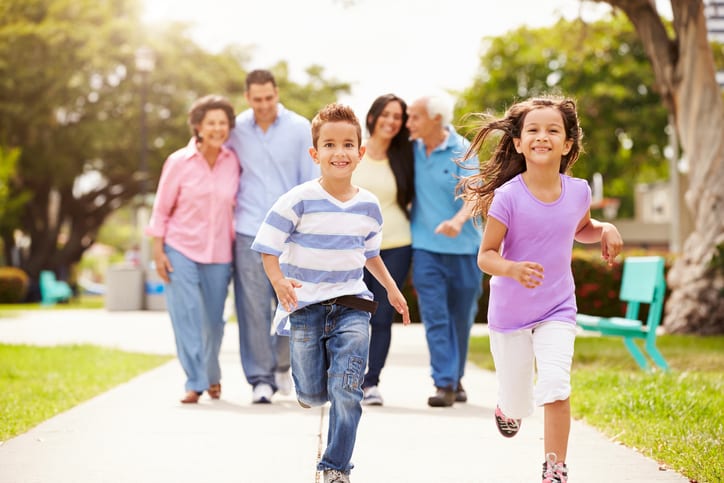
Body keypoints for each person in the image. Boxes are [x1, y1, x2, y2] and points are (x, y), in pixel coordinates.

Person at [458, 95, 623, 483]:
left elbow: (580, 227)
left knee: (555, 383)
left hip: (558, 308)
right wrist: (511, 268)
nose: (542, 136)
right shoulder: (508, 197)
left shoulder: (579, 191)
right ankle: (506, 408)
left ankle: (555, 468)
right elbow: (486, 256)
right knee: (519, 402)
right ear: (518, 142)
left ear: (567, 144)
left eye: (553, 130)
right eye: (533, 129)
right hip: (510, 313)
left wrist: (605, 228)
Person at [252, 103, 410, 483]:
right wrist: (279, 282)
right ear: (315, 153)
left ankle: (336, 466)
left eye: (347, 145)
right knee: (311, 393)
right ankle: (309, 387)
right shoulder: (297, 199)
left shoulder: (369, 206)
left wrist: (391, 289)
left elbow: (370, 255)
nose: (339, 152)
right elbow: (267, 248)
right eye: (329, 145)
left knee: (347, 389)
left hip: (353, 305)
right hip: (305, 307)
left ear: (360, 152)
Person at [227, 69, 318, 403]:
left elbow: (311, 180)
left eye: (269, 98)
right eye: (257, 99)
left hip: (288, 233)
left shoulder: (299, 128)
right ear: (248, 98)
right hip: (247, 229)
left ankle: (282, 367)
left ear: (276, 93)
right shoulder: (235, 129)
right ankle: (260, 379)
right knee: (251, 308)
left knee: (289, 302)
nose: (264, 105)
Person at [146, 95, 239, 404]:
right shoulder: (177, 162)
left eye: (222, 123)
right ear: (198, 126)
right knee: (186, 316)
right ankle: (195, 381)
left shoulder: (232, 162)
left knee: (213, 321)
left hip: (220, 253)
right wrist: (158, 251)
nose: (217, 128)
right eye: (210, 123)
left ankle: (212, 374)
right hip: (179, 248)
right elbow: (161, 210)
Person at [406, 95, 483, 407]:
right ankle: (444, 383)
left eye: (415, 118)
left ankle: (455, 376)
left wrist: (458, 220)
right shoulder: (409, 150)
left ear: (436, 119)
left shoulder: (462, 150)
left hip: (464, 249)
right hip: (425, 248)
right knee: (436, 317)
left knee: (461, 319)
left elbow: (474, 195)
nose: (408, 124)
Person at [351, 94, 415, 406]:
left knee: (382, 314)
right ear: (374, 116)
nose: (391, 121)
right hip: (352, 247)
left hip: (396, 244)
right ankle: (346, 377)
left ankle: (371, 382)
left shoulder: (405, 156)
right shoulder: (354, 150)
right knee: (351, 313)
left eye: (398, 117)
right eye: (386, 115)